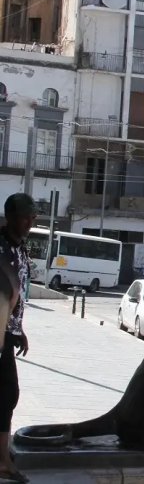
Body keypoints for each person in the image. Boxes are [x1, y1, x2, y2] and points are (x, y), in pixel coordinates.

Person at [0, 193, 35, 483]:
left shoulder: (20, 249)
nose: (30, 222)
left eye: (32, 217)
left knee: (6, 395)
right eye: (25, 217)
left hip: (7, 333)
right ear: (9, 217)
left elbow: (16, 296)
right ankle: (2, 461)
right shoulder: (1, 249)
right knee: (6, 395)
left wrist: (18, 329)